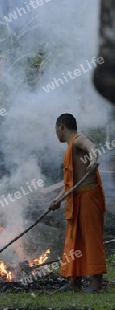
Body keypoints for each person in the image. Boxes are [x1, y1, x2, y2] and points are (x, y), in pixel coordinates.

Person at [49, 113, 106, 292]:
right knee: (74, 242)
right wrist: (58, 199)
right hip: (76, 200)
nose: (56, 134)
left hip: (89, 198)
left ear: (61, 127)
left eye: (55, 130)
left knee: (91, 239)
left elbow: (91, 146)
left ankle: (96, 285)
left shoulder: (77, 141)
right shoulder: (70, 149)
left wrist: (94, 159)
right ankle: (74, 283)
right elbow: (70, 184)